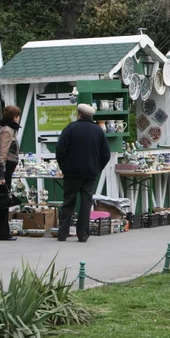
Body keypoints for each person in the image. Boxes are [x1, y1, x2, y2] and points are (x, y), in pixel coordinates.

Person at [56, 103, 110, 242]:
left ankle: (62, 234)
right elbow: (106, 155)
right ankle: (83, 235)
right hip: (90, 173)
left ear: (79, 114)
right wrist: (98, 168)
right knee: (86, 203)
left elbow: (60, 150)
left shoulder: (70, 128)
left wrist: (63, 166)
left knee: (68, 202)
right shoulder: (98, 131)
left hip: (72, 172)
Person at [0, 105, 22, 241]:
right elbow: (2, 154)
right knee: (3, 200)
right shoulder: (7, 131)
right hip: (3, 169)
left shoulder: (9, 129)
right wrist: (1, 175)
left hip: (6, 168)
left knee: (4, 200)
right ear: (14, 117)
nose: (19, 118)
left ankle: (3, 232)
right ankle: (2, 233)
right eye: (18, 116)